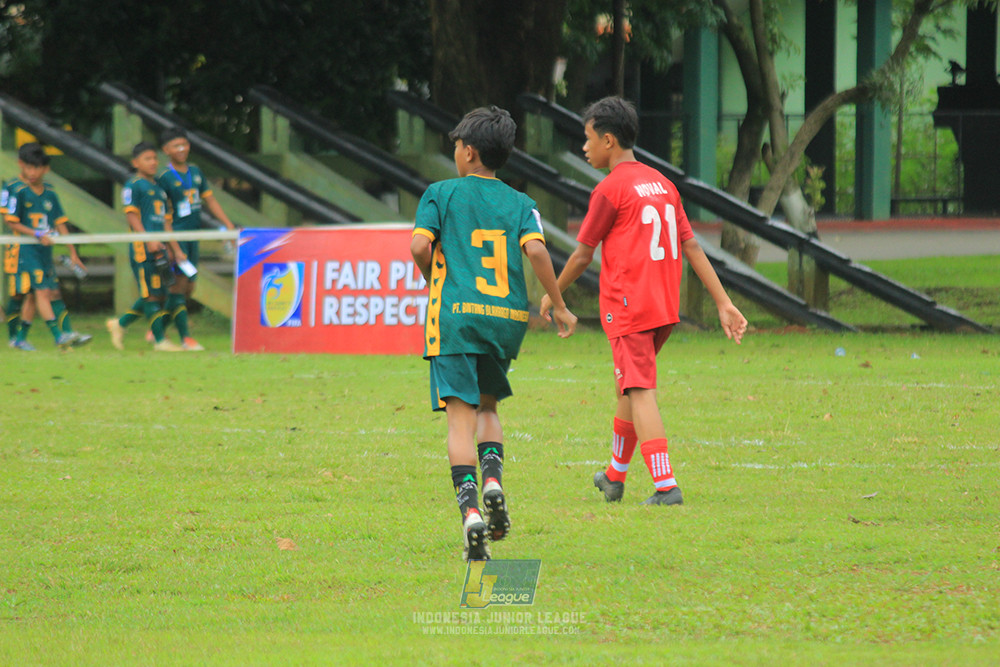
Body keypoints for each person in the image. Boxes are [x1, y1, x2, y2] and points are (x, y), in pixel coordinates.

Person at [539, 96, 748, 506]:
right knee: (628, 389)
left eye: (588, 139)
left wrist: (553, 293)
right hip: (662, 307)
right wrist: (723, 302)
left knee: (639, 391)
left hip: (629, 306)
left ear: (609, 141)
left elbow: (582, 254)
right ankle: (614, 476)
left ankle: (666, 486)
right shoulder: (663, 184)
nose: (584, 148)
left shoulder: (610, 189)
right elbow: (691, 246)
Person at [410, 106, 577, 561]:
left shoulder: (440, 193)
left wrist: (434, 279)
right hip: (503, 320)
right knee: (488, 406)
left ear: (468, 151)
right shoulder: (522, 204)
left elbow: (419, 245)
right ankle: (495, 483)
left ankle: (470, 515)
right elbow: (538, 251)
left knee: (459, 415)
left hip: (455, 318)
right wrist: (558, 304)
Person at [2, 142, 92, 351]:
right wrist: (36, 233)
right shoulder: (16, 189)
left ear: (46, 168)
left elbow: (60, 222)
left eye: (37, 168)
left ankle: (21, 339)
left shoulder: (50, 192)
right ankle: (59, 335)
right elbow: (10, 220)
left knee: (40, 293)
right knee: (35, 292)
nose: (32, 172)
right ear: (21, 165)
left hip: (44, 251)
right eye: (28, 167)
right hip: (23, 251)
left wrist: (72, 251)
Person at [156, 127, 238, 351]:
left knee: (189, 287)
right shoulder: (163, 177)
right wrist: (170, 244)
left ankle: (155, 329)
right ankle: (185, 339)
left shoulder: (195, 171)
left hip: (194, 236)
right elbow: (162, 214)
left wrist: (228, 225)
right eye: (176, 145)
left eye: (184, 144)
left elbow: (209, 200)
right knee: (179, 286)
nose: (182, 149)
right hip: (176, 237)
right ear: (166, 150)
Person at [106, 142, 186, 352]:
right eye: (147, 159)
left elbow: (166, 222)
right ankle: (160, 341)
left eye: (154, 158)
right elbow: (131, 215)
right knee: (151, 294)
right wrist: (148, 239)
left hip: (160, 249)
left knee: (158, 294)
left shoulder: (159, 189)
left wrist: (174, 248)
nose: (152, 162)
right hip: (143, 249)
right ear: (135, 163)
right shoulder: (133, 185)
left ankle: (119, 324)